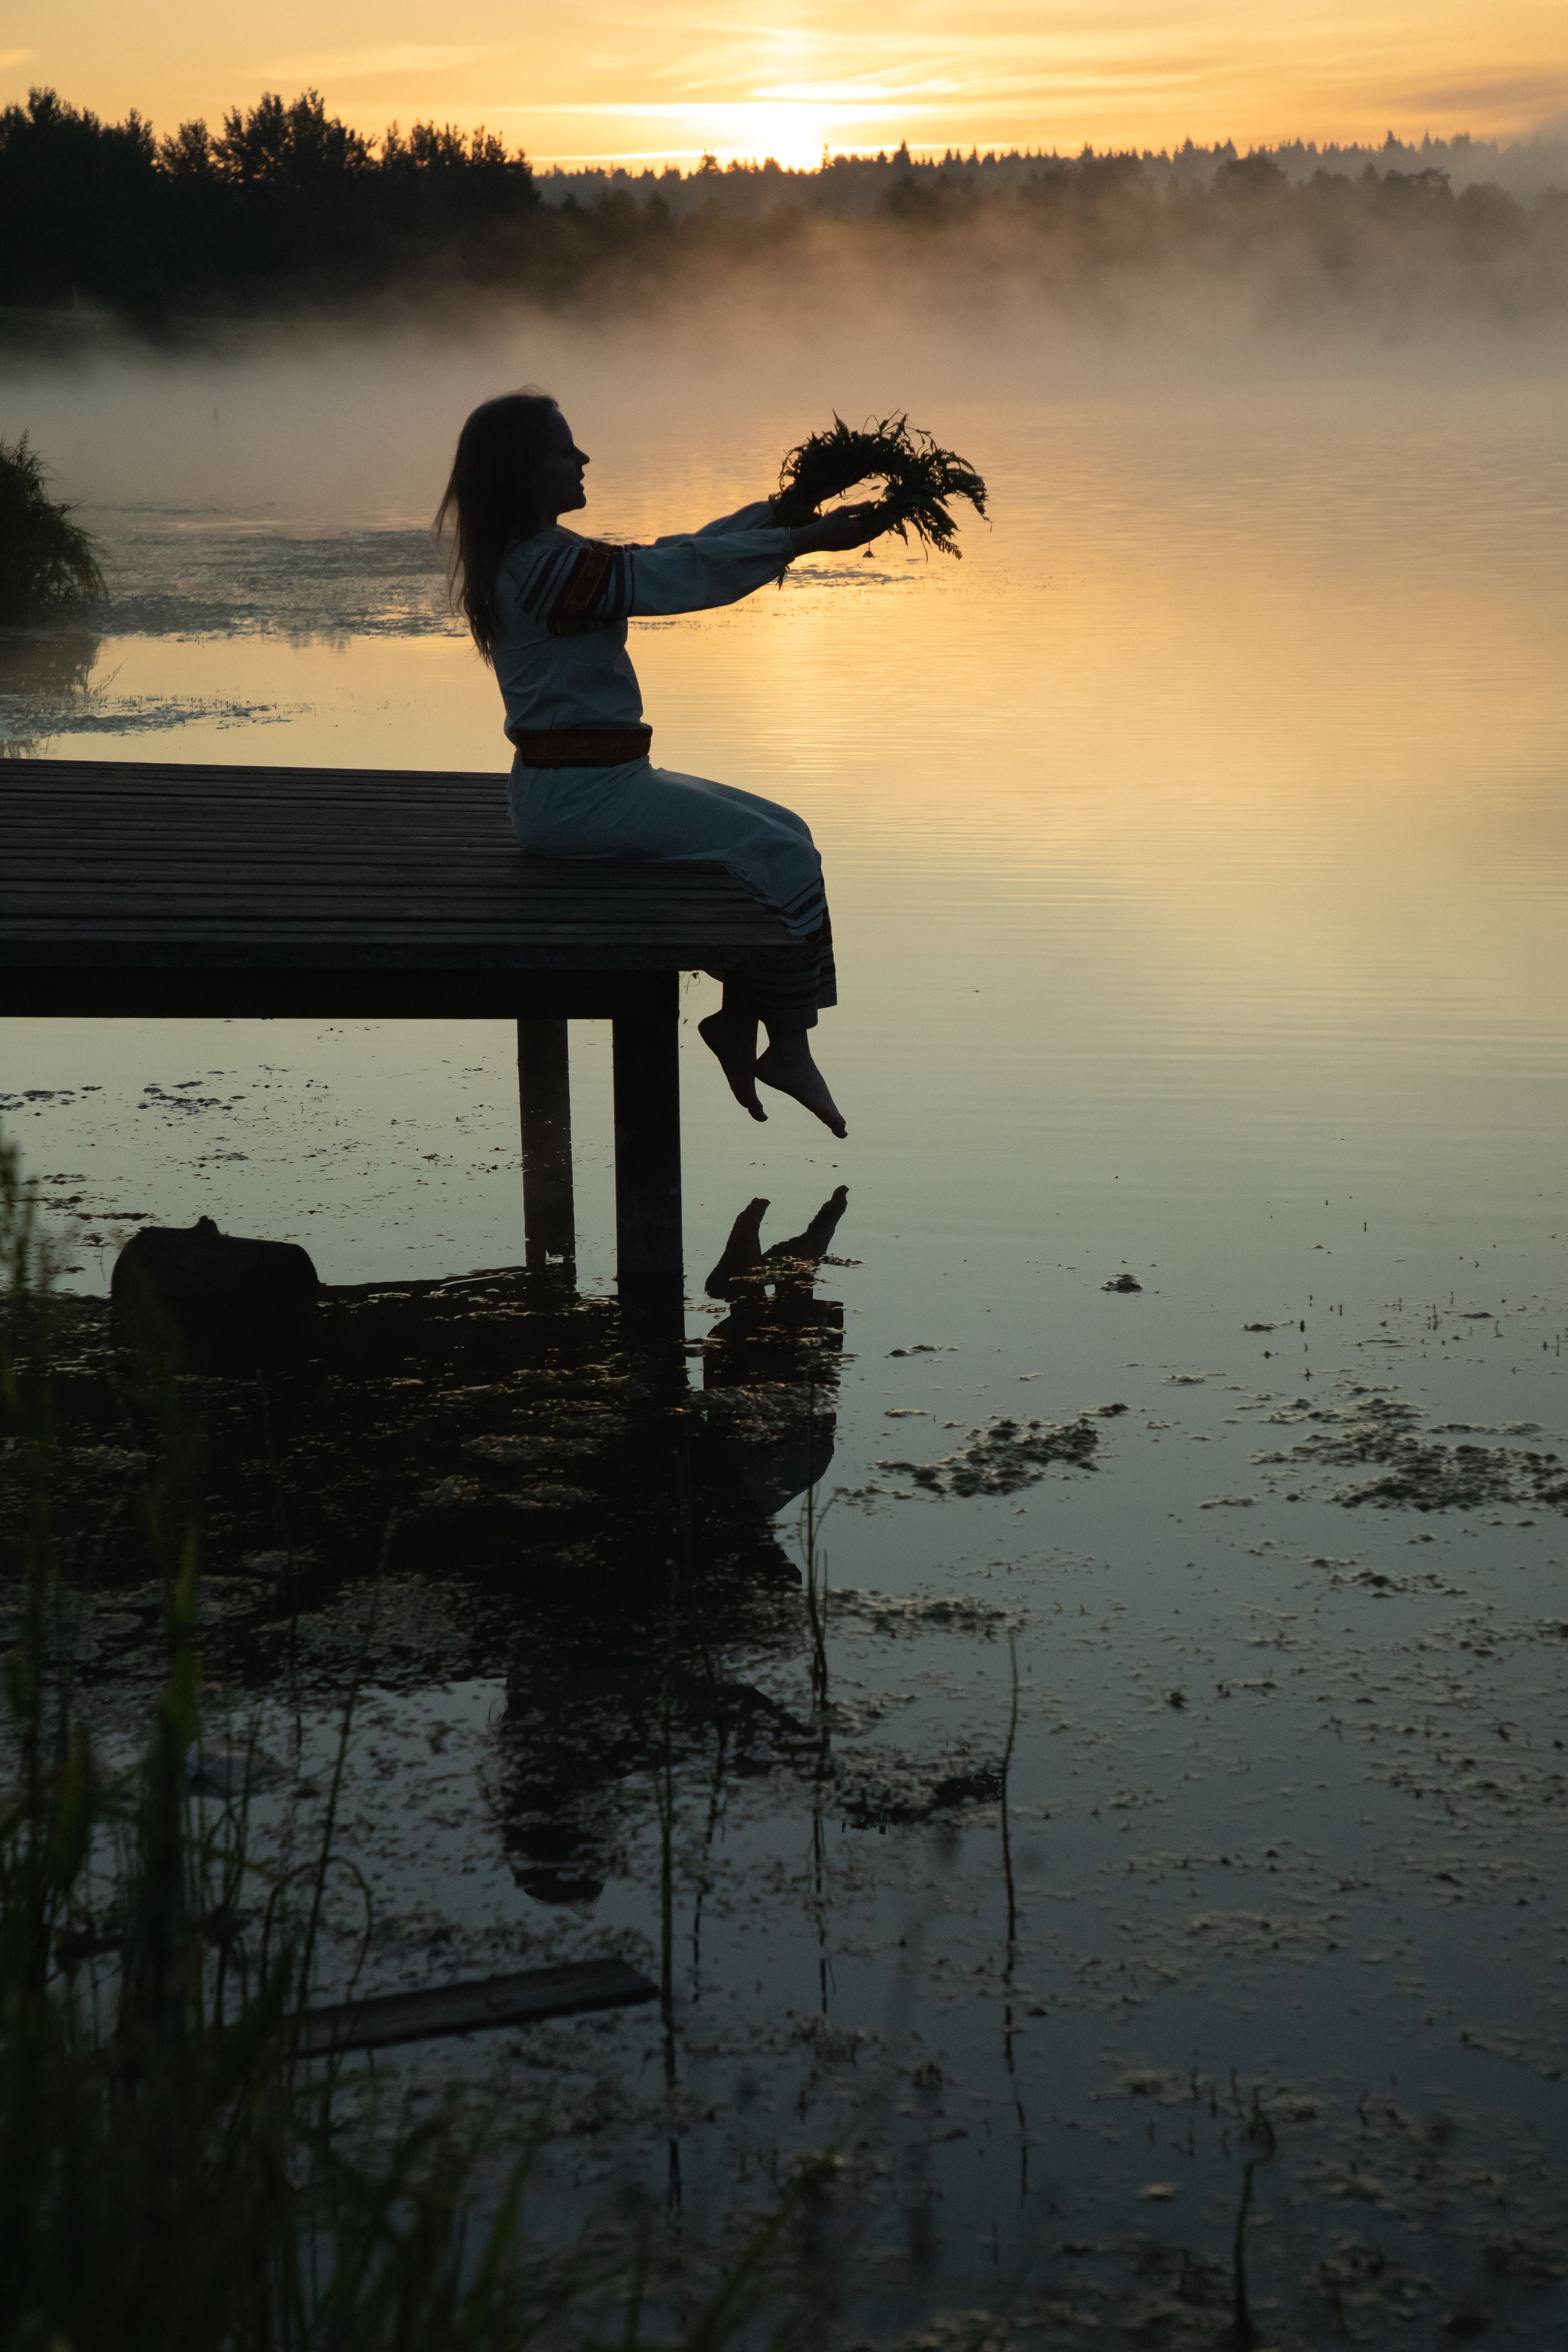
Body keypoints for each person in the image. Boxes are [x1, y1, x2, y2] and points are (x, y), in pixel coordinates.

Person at [435, 388, 885, 1139]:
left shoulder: (543, 558)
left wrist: (787, 510)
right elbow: (676, 578)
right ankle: (789, 1044)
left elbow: (672, 555)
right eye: (563, 451)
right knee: (774, 850)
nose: (582, 460)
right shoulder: (544, 569)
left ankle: (744, 1025)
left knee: (786, 833)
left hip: (594, 785)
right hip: (579, 800)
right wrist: (802, 541)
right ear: (521, 471)